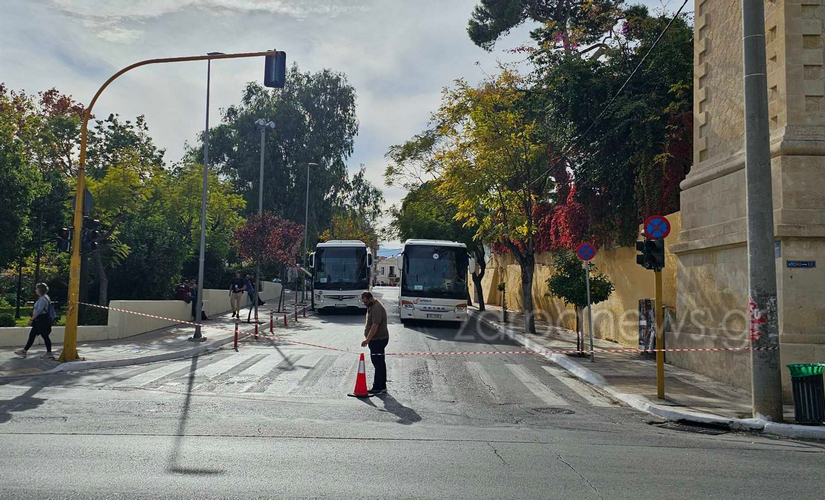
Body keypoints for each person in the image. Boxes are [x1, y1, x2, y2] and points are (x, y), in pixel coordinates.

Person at [360, 291, 390, 394]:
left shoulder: (376, 307)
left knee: (378, 363)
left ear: (370, 298)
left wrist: (367, 340)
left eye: (366, 301)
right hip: (377, 339)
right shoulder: (372, 306)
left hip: (378, 339)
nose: (365, 304)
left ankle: (377, 387)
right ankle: (382, 386)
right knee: (380, 362)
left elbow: (375, 326)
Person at [15, 283, 54, 359]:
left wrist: (31, 319)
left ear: (39, 290)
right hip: (41, 320)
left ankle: (49, 353)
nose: (35, 290)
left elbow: (38, 310)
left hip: (41, 320)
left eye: (36, 289)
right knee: (33, 335)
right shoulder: (45, 297)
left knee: (44, 336)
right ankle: (24, 351)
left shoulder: (42, 299)